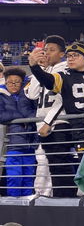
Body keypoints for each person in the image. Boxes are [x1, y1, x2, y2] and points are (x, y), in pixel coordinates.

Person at [29, 42, 84, 165]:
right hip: (80, 129)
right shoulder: (63, 76)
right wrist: (34, 66)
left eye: (75, 55)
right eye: (69, 56)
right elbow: (47, 80)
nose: (71, 58)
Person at [25, 35, 76, 197]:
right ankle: (44, 196)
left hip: (58, 122)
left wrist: (48, 122)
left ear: (62, 53)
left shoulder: (66, 69)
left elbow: (63, 100)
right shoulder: (45, 70)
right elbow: (32, 95)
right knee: (43, 163)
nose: (47, 53)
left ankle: (64, 198)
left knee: (59, 163)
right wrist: (39, 68)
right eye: (45, 50)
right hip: (42, 123)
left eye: (52, 50)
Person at [0, 67, 37, 196]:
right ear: (5, 82)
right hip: (12, 145)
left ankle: (26, 204)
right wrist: (21, 117)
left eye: (17, 82)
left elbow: (36, 113)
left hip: (30, 144)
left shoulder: (28, 95)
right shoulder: (1, 96)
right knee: (14, 177)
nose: (14, 85)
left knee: (29, 177)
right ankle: (13, 204)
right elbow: (1, 116)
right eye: (10, 82)